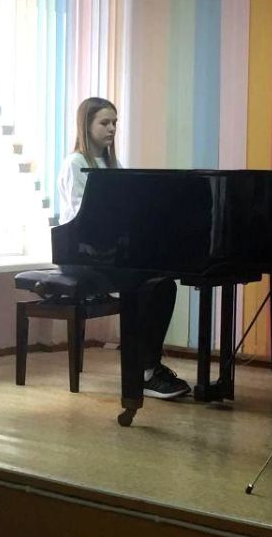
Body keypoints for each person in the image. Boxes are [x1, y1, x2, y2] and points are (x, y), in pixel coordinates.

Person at [57, 97, 191, 400]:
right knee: (142, 284)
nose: (111, 128)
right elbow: (84, 218)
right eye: (104, 122)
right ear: (86, 125)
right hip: (79, 255)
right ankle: (142, 372)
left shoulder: (113, 164)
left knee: (163, 284)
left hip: (108, 252)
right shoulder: (75, 163)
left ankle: (147, 366)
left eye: (114, 123)